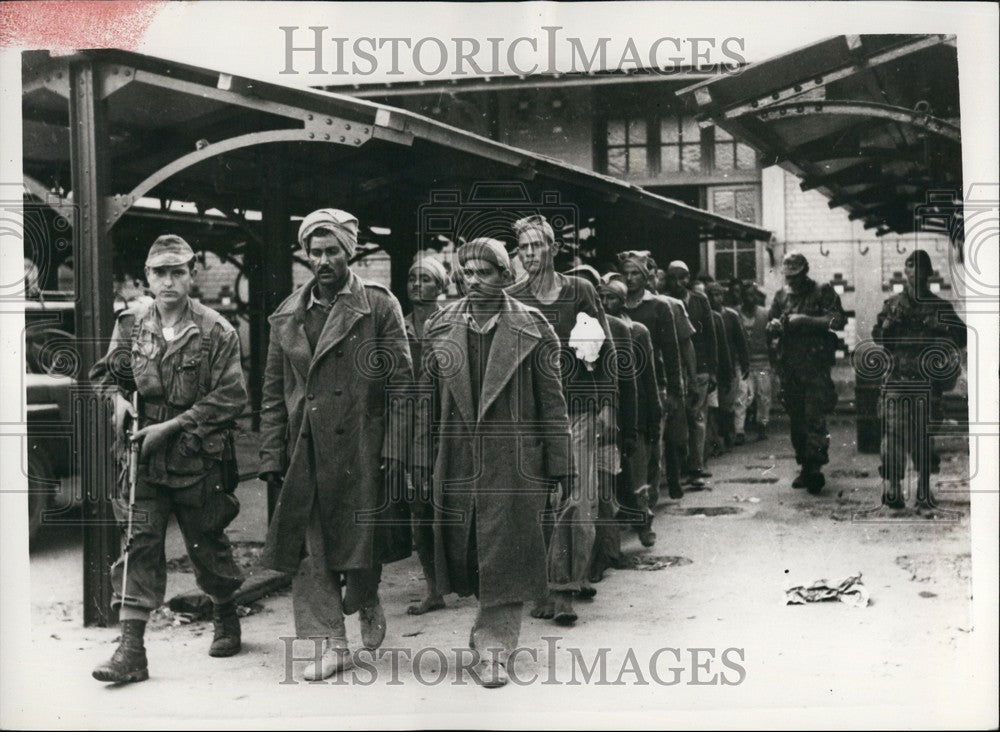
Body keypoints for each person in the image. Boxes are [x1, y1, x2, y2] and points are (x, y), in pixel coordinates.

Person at [258, 208, 413, 681]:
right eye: (315, 251)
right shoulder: (288, 313)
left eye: (332, 251)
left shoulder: (378, 305)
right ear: (305, 254)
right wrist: (271, 452)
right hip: (306, 445)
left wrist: (397, 448)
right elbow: (272, 390)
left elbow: (403, 383)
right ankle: (332, 643)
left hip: (361, 442)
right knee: (311, 548)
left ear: (350, 252)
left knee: (359, 537)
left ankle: (366, 597)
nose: (323, 260)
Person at [413, 238, 572, 688]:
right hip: (457, 457)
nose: (474, 281)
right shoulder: (441, 325)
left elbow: (553, 403)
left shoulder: (533, 327)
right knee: (466, 552)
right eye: (467, 273)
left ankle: (494, 650)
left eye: (485, 272)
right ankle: (485, 633)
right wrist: (420, 458)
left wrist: (560, 465)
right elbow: (424, 401)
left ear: (505, 276)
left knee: (506, 555)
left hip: (515, 463)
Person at [90, 235, 248, 684]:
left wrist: (175, 426)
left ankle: (224, 613)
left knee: (206, 543)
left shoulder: (216, 330)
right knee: (138, 544)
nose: (169, 281)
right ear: (148, 276)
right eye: (160, 272)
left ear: (192, 275)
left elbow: (232, 396)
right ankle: (131, 651)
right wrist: (117, 400)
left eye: (178, 271)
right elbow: (103, 376)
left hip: (196, 454)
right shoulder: (131, 325)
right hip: (142, 455)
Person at [507, 215, 617, 626]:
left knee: (577, 500)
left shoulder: (579, 291)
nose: (530, 254)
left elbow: (604, 351)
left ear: (554, 248)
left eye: (537, 245)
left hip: (578, 411)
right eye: (523, 248)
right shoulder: (511, 297)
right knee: (538, 504)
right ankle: (543, 586)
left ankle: (565, 590)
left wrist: (607, 405)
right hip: (530, 417)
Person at [872, 249, 966, 510]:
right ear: (905, 272)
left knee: (923, 436)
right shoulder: (892, 305)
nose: (914, 271)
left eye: (919, 266)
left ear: (929, 273)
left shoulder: (941, 307)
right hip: (897, 380)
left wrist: (941, 330)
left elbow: (962, 336)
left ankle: (924, 488)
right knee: (893, 434)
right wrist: (886, 329)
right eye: (910, 266)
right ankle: (893, 488)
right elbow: (878, 337)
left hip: (927, 383)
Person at [568, 266, 638, 573]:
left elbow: (628, 384)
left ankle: (606, 556)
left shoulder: (617, 328)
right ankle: (582, 559)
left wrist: (628, 429)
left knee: (604, 491)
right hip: (576, 421)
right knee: (579, 493)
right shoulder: (566, 325)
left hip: (607, 423)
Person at [767, 251, 847, 493]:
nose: (791, 280)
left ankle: (815, 468)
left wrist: (805, 320)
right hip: (790, 368)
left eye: (796, 275)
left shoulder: (822, 291)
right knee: (796, 421)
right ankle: (804, 465)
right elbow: (771, 324)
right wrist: (774, 326)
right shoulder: (781, 295)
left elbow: (838, 321)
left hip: (815, 367)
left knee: (814, 417)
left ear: (805, 272)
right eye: (788, 276)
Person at [619, 252, 690, 500]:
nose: (629, 278)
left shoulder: (659, 307)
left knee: (652, 443)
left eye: (635, 273)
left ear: (645, 276)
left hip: (654, 385)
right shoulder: (615, 304)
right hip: (624, 385)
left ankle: (649, 499)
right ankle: (632, 499)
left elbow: (671, 351)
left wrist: (674, 390)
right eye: (626, 274)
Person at [402, 256, 450, 616]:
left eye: (426, 279)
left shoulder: (451, 324)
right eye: (412, 278)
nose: (417, 285)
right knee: (419, 513)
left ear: (441, 286)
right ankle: (433, 589)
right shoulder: (397, 327)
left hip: (446, 427)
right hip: (410, 431)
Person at [599, 275, 661, 547]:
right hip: (606, 414)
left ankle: (644, 522)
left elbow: (648, 377)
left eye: (611, 297)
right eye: (601, 297)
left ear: (622, 301)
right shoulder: (593, 330)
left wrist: (654, 413)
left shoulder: (637, 331)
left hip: (635, 411)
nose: (605, 302)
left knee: (637, 474)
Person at [665, 260, 718, 487]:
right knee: (678, 418)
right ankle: (678, 467)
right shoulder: (665, 301)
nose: (678, 283)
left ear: (688, 278)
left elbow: (711, 336)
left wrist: (712, 370)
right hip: (675, 367)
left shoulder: (700, 300)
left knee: (696, 417)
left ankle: (696, 467)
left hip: (700, 367)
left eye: (682, 277)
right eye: (673, 278)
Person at [707, 281, 749, 451]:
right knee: (713, 407)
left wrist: (745, 363)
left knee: (727, 405)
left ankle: (728, 435)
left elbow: (741, 341)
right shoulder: (705, 316)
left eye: (719, 295)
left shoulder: (731, 316)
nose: (716, 299)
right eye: (712, 295)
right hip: (711, 366)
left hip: (729, 366)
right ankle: (716, 441)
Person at [735, 280, 772, 443]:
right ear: (742, 297)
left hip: (762, 361)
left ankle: (762, 426)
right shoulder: (735, 314)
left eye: (753, 295)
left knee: (763, 396)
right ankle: (739, 430)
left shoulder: (765, 314)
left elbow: (771, 337)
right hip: (742, 362)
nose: (750, 298)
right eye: (747, 295)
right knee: (741, 395)